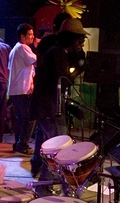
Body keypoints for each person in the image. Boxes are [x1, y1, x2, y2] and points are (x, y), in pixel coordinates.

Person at [30, 18, 88, 179]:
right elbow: (62, 81)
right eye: (79, 39)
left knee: (49, 148)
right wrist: (80, 68)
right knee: (59, 149)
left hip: (47, 108)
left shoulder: (57, 52)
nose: (81, 43)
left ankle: (45, 183)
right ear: (70, 38)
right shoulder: (58, 54)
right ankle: (48, 185)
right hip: (50, 110)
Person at [8, 23, 37, 154]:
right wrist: (39, 47)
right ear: (22, 36)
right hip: (22, 90)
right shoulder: (23, 47)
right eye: (30, 34)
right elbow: (36, 61)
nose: (33, 37)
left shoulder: (16, 48)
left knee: (21, 118)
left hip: (17, 90)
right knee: (30, 118)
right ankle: (22, 145)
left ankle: (18, 143)